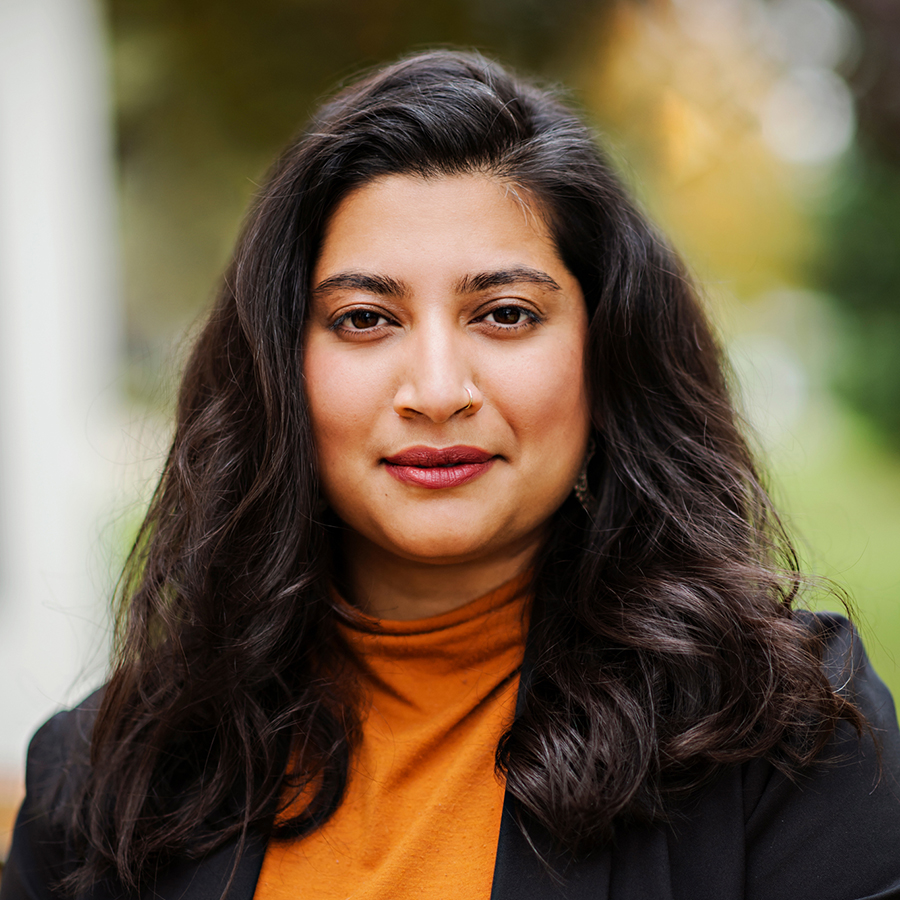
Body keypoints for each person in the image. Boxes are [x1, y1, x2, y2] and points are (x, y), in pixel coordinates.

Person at [3, 50, 900, 900]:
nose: (436, 391)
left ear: (605, 354)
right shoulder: (98, 779)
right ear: (280, 368)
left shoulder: (781, 731)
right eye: (364, 319)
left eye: (505, 314)